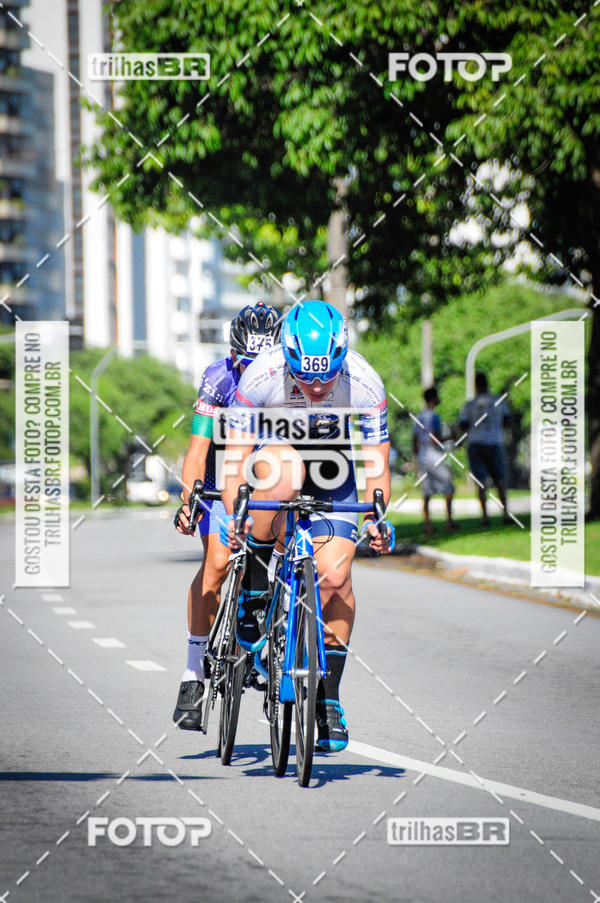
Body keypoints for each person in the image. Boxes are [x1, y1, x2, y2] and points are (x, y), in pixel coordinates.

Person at [220, 300, 394, 753]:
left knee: (335, 579)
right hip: (276, 452)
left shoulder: (364, 381)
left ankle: (328, 698)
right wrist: (235, 514)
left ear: (341, 358)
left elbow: (376, 468)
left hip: (336, 465)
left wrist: (378, 517)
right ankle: (255, 584)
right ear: (287, 357)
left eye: (326, 376)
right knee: (285, 473)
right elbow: (236, 460)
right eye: (305, 375)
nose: (316, 386)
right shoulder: (261, 374)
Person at [172, 301, 282, 730]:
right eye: (246, 364)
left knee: (293, 549)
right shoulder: (218, 379)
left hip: (271, 477)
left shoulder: (289, 382)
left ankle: (283, 640)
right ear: (234, 354)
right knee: (217, 563)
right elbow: (198, 451)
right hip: (223, 479)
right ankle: (193, 673)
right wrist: (189, 502)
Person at [459, 371, 511, 526]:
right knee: (500, 479)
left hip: (475, 443)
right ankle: (506, 514)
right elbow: (507, 421)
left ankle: (485, 517)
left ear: (476, 385)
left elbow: (463, 425)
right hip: (494, 442)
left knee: (481, 482)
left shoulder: (469, 405)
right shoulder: (498, 401)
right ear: (487, 383)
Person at [412, 386, 456, 535]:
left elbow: (414, 441)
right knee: (448, 487)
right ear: (433, 398)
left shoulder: (418, 417)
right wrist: (451, 436)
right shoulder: (434, 417)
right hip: (435, 456)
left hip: (423, 457)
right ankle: (449, 522)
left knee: (427, 492)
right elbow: (435, 439)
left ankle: (427, 526)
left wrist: (416, 460)